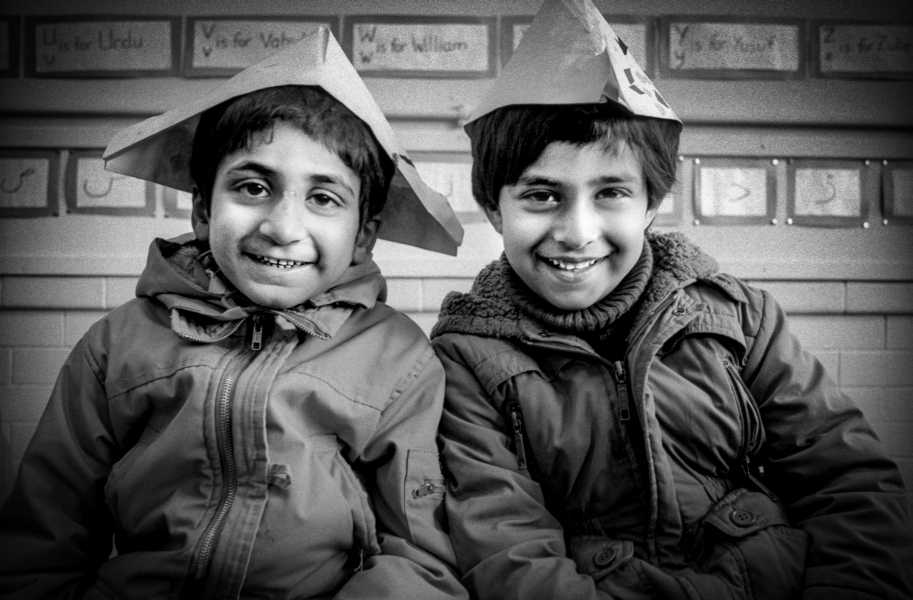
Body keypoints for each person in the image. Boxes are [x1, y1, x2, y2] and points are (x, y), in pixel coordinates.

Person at [430, 1, 913, 599]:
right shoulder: (466, 362)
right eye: (542, 195)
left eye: (610, 192)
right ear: (493, 210)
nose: (577, 232)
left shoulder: (739, 318)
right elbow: (507, 548)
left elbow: (849, 483)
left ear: (651, 206)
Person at [0, 28, 467, 599]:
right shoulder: (117, 344)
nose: (283, 227)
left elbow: (420, 556)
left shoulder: (399, 360)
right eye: (252, 187)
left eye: (323, 198)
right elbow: (43, 538)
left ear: (364, 235)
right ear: (202, 208)